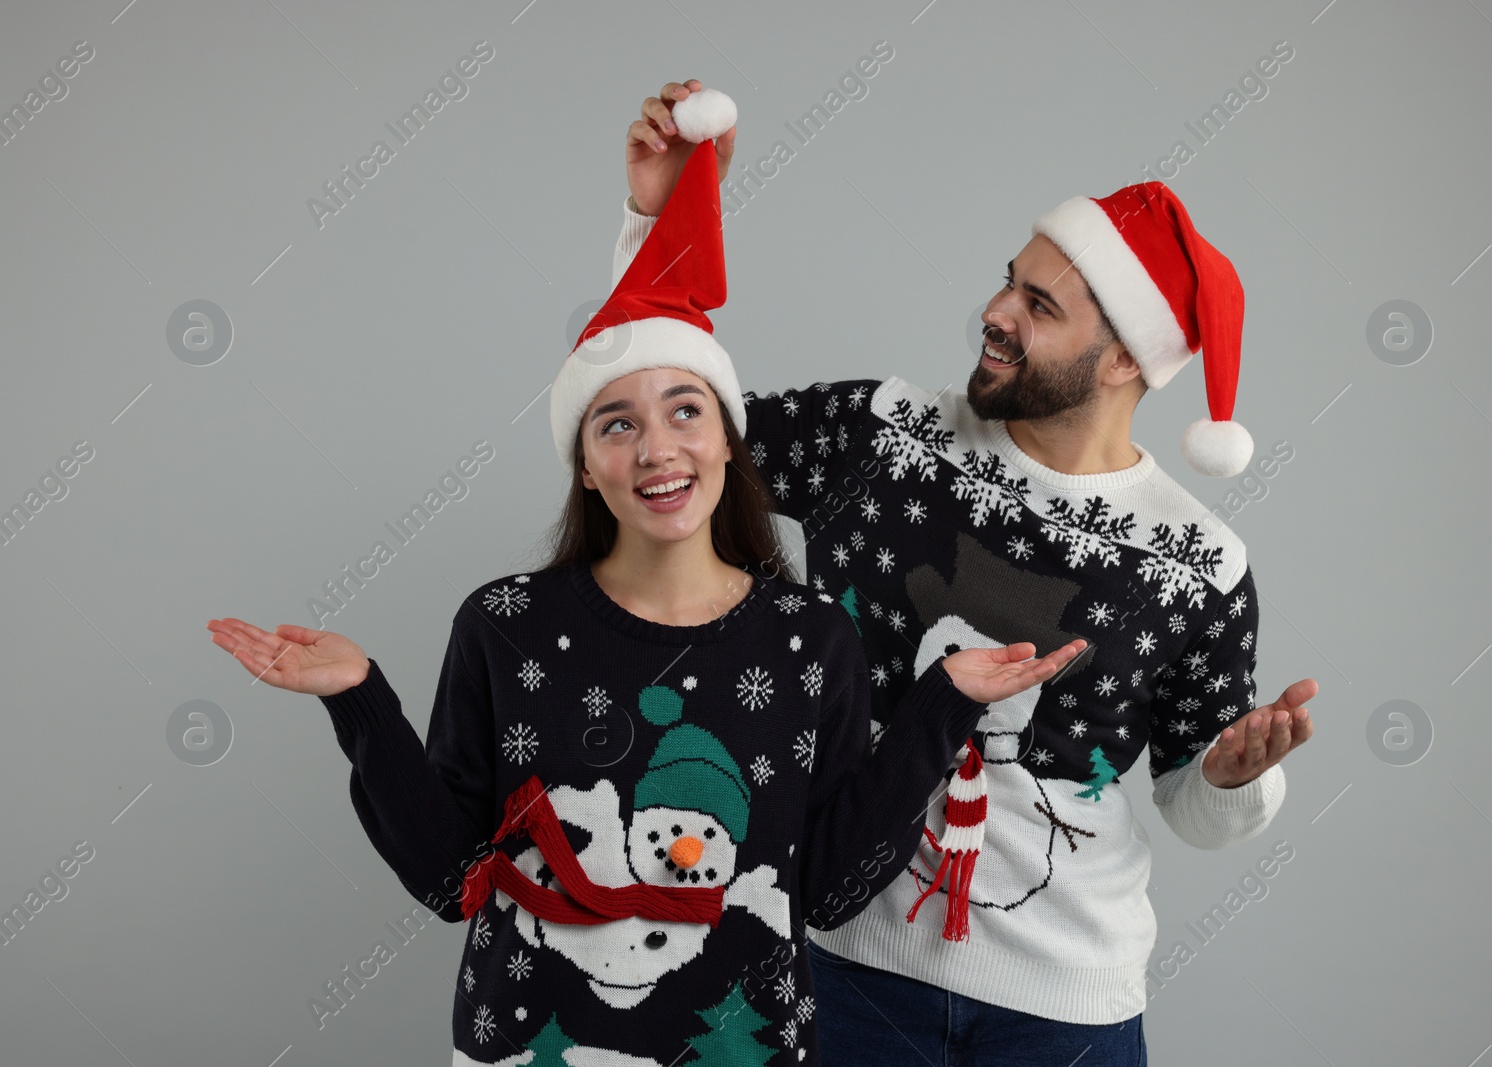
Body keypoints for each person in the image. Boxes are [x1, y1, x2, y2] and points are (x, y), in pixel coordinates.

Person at [206, 89, 1085, 1067]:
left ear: (727, 437)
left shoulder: (808, 642)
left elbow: (827, 890)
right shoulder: (505, 624)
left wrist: (939, 705)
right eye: (615, 422)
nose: (656, 448)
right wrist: (360, 700)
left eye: (685, 410)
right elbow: (449, 872)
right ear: (586, 463)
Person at [613, 80, 1320, 1066]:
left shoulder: (1198, 563)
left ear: (1122, 358)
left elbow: (1195, 806)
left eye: (1037, 304)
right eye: (1006, 281)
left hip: (1063, 1014)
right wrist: (662, 222)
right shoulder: (880, 437)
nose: (993, 312)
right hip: (843, 968)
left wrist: (1235, 775)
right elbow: (667, 433)